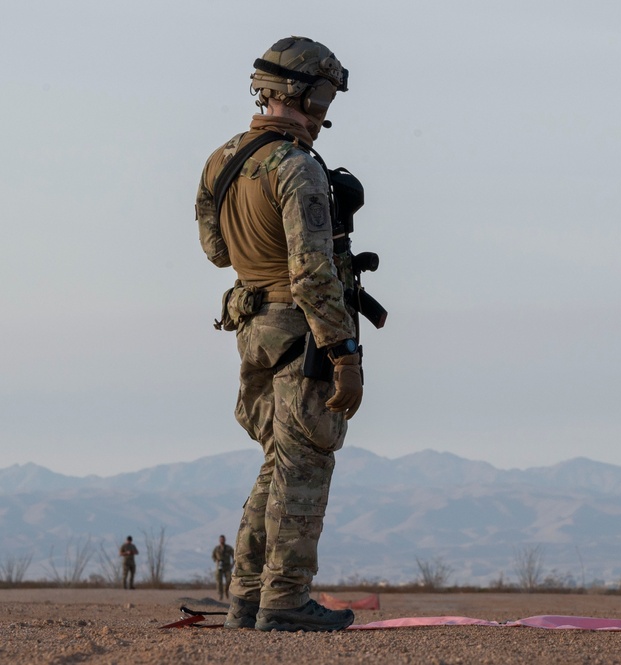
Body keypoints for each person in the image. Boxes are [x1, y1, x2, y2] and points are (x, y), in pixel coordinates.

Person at [195, 36, 361, 632]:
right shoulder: (296, 168)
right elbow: (314, 272)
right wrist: (344, 354)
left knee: (276, 460)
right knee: (305, 462)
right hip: (303, 330)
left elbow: (217, 251)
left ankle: (246, 595)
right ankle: (285, 600)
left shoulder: (222, 160)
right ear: (302, 94)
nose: (325, 111)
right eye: (323, 96)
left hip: (252, 327)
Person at [212, 535, 235, 600]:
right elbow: (213, 556)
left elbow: (234, 556)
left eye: (223, 539)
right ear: (219, 540)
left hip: (227, 566)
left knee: (229, 580)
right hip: (219, 566)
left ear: (225, 540)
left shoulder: (229, 548)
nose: (222, 540)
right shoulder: (216, 548)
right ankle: (220, 594)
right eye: (221, 539)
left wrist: (232, 564)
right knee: (219, 581)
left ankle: (226, 590)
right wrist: (216, 560)